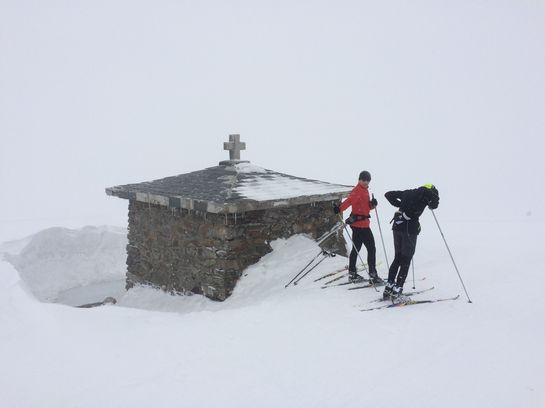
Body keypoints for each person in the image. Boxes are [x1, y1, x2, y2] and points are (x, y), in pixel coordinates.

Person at [382, 184, 440, 302]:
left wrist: (401, 205)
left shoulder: (408, 192)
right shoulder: (426, 193)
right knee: (406, 259)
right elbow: (434, 203)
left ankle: (389, 287)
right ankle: (398, 290)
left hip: (397, 227)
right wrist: (433, 202)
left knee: (397, 257)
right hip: (409, 230)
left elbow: (388, 194)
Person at [334, 171, 383, 284]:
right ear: (359, 179)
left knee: (356, 249)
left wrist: (372, 204)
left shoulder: (365, 190)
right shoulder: (357, 191)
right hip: (361, 226)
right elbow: (349, 201)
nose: (366, 182)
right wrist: (339, 208)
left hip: (360, 225)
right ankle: (373, 275)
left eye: (368, 180)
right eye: (364, 180)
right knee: (371, 249)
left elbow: (365, 207)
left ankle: (352, 274)